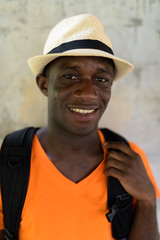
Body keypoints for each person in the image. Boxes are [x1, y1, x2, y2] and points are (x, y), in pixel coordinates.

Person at [0, 14, 160, 240]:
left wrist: (146, 199)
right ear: (44, 84)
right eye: (71, 76)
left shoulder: (130, 158)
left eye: (101, 79)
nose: (87, 92)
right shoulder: (9, 162)